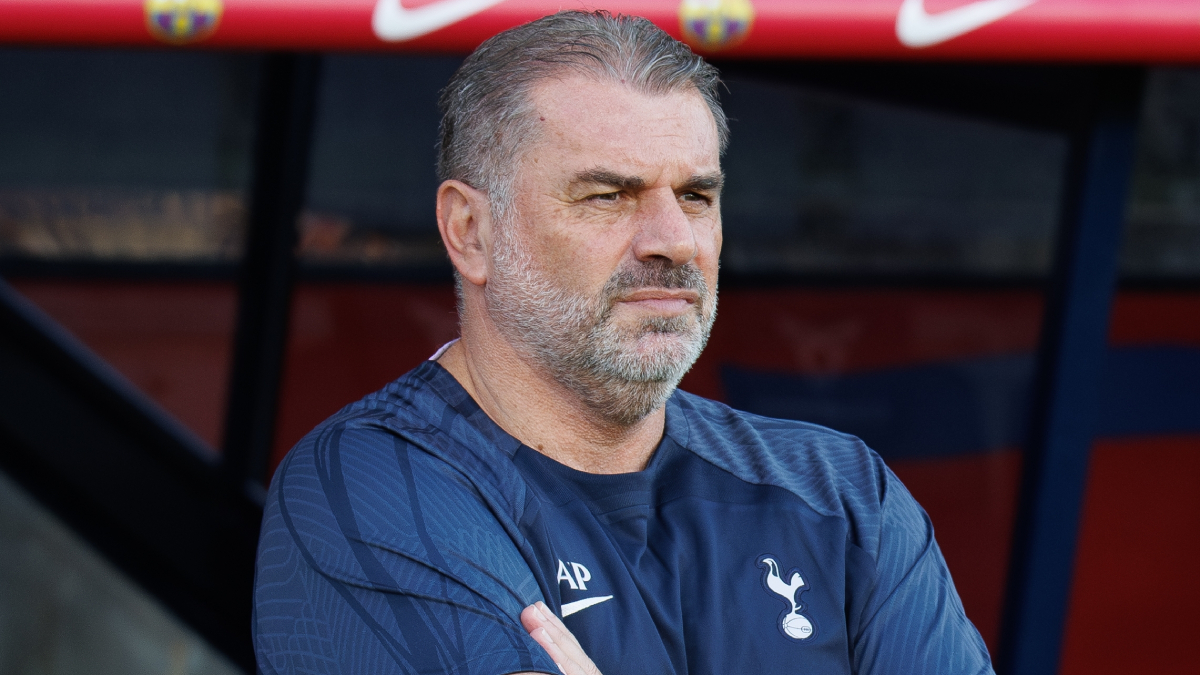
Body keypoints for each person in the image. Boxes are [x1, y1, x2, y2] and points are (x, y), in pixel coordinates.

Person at [253, 10, 994, 675]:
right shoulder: (368, 483)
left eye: (697, 196)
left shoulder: (840, 495)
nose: (675, 240)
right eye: (608, 195)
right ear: (470, 232)